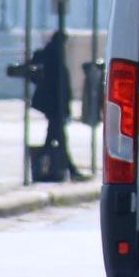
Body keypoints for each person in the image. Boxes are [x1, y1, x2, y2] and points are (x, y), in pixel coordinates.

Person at [28, 30, 83, 181]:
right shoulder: (53, 55)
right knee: (59, 137)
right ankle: (69, 169)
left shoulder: (49, 53)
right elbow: (58, 84)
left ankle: (61, 168)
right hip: (54, 105)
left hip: (52, 105)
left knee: (54, 137)